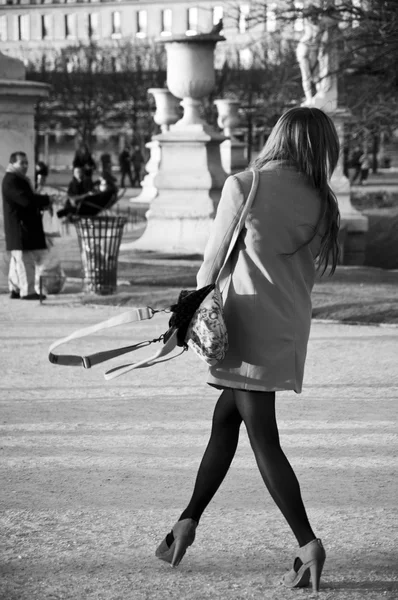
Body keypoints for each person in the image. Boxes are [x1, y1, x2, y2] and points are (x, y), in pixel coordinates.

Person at [155, 107, 340, 594]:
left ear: (279, 137)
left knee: (264, 438)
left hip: (245, 330)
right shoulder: (323, 199)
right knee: (226, 419)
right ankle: (186, 523)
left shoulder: (245, 184)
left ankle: (308, 544)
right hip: (289, 326)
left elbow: (209, 268)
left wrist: (187, 318)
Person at [2, 151, 52, 300]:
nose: (25, 166)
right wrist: (45, 200)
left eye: (26, 163)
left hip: (21, 227)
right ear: (12, 164)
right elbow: (25, 200)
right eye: (21, 163)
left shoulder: (18, 179)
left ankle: (16, 289)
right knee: (24, 261)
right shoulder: (11, 180)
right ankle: (28, 291)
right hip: (19, 228)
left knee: (16, 261)